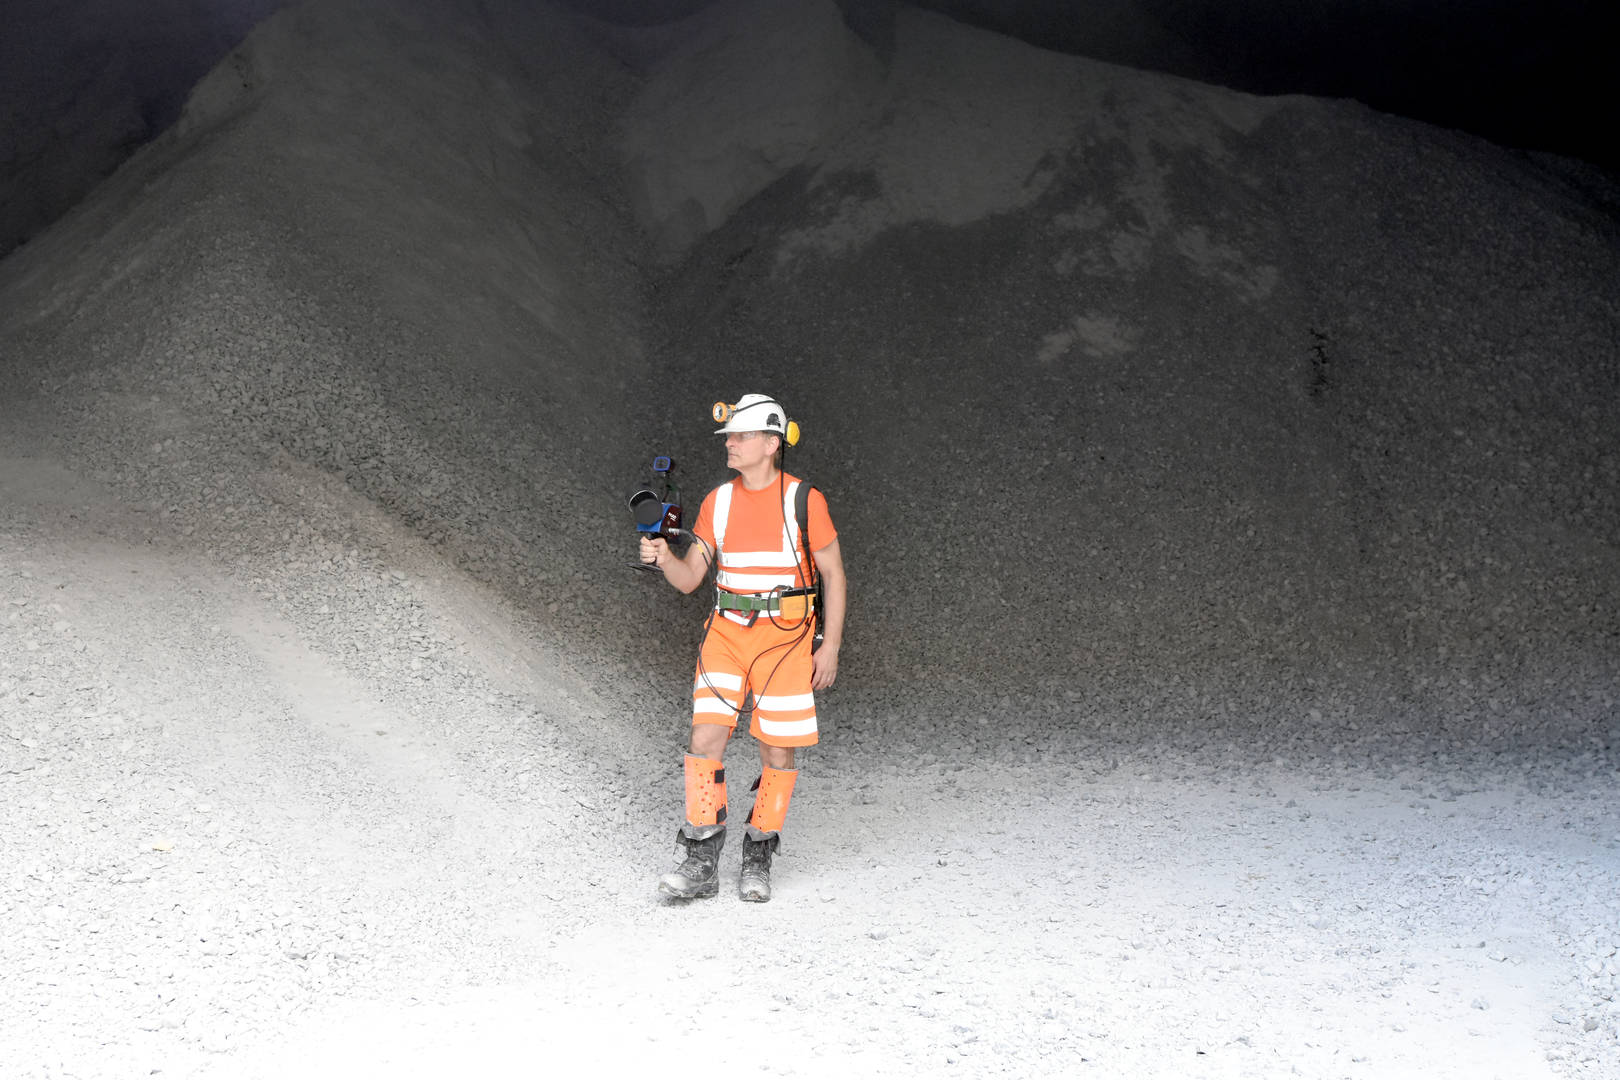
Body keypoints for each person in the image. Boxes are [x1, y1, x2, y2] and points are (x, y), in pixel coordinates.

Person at [639, 393, 846, 902]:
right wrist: (664, 557)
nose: (730, 443)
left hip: (787, 639)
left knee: (777, 748)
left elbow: (834, 575)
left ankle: (758, 853)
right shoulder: (718, 502)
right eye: (729, 436)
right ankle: (701, 858)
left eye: (741, 435)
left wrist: (831, 645)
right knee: (705, 739)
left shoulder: (805, 499)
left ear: (772, 443)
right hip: (727, 634)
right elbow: (691, 580)